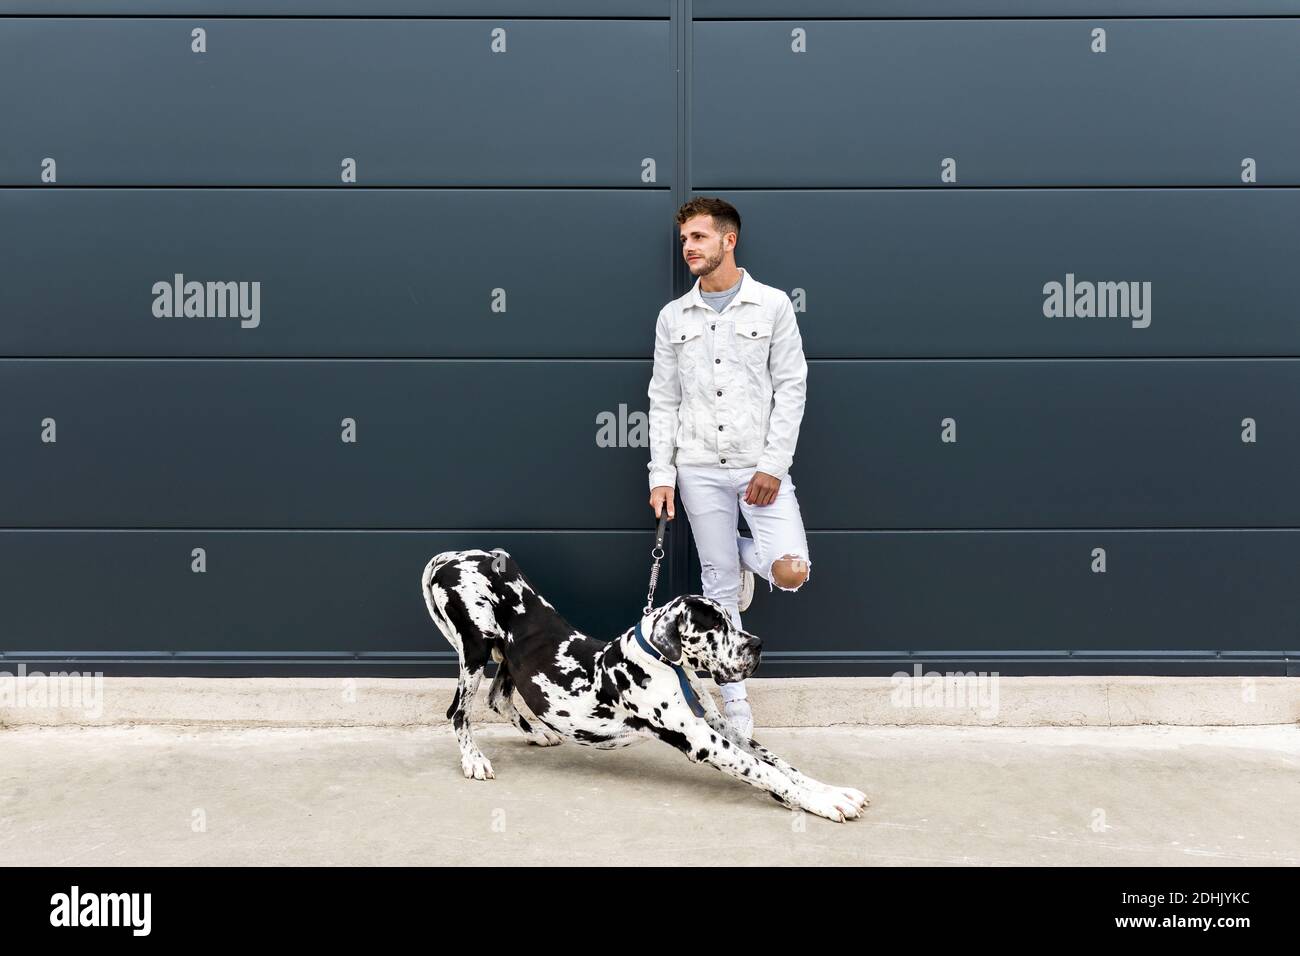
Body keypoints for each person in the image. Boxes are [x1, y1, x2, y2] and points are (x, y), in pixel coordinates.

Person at [646, 197, 812, 739]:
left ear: (728, 240)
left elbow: (792, 386)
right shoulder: (674, 316)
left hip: (758, 468)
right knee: (717, 589)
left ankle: (745, 560)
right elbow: (663, 399)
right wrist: (661, 475)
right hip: (697, 470)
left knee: (790, 572)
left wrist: (772, 464)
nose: (688, 248)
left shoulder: (772, 306)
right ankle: (736, 706)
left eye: (698, 237)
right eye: (684, 240)